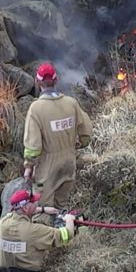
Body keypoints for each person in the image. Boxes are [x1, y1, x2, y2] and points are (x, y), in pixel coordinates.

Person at [23, 62, 93, 209]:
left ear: (37, 82)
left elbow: (33, 147)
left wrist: (28, 167)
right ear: (56, 80)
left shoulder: (36, 109)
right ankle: (64, 222)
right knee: (62, 206)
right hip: (69, 163)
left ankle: (50, 224)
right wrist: (77, 145)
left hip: (47, 167)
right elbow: (86, 132)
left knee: (44, 209)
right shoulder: (71, 103)